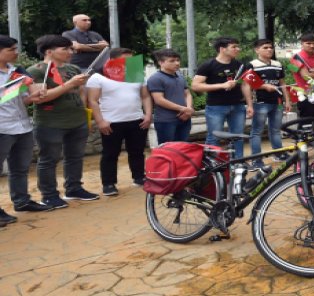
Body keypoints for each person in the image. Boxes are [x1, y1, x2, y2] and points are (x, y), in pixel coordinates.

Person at [27, 35, 96, 208]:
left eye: (70, 48)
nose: (70, 52)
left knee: (75, 157)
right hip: (50, 123)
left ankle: (74, 188)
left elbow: (81, 91)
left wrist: (84, 112)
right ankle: (49, 195)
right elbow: (40, 98)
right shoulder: (36, 71)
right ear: (49, 52)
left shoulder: (73, 68)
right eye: (65, 49)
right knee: (49, 160)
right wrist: (69, 84)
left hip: (77, 121)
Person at [86, 48, 152, 195]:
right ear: (112, 60)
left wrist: (148, 115)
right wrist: (100, 121)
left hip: (137, 120)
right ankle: (109, 184)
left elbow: (145, 96)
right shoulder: (98, 76)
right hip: (111, 122)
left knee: (137, 151)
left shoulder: (136, 73)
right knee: (110, 154)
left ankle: (139, 177)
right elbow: (92, 100)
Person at [0, 36, 52, 219]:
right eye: (11, 50)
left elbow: (22, 99)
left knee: (20, 168)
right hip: (2, 128)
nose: (16, 53)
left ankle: (22, 201)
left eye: (16, 49)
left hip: (22, 126)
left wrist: (33, 97)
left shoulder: (18, 71)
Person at [192, 37, 252, 158]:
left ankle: (238, 162)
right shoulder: (208, 65)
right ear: (222, 49)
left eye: (238, 46)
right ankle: (212, 165)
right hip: (216, 107)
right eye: (234, 47)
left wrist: (250, 105)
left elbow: (245, 85)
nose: (238, 49)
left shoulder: (239, 65)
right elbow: (195, 86)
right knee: (214, 136)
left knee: (238, 136)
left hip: (238, 106)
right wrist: (222, 85)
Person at [246, 39, 291, 167]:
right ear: (257, 50)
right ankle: (256, 159)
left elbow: (282, 83)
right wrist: (250, 104)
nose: (269, 50)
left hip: (277, 102)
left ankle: (279, 154)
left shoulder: (277, 64)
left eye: (271, 47)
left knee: (276, 130)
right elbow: (247, 85)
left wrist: (287, 100)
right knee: (257, 132)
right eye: (265, 47)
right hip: (260, 102)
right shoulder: (252, 65)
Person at [147, 49, 194, 144]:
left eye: (178, 60)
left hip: (185, 118)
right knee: (167, 148)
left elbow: (187, 94)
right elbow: (159, 100)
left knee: (183, 147)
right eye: (172, 61)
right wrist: (183, 109)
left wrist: (189, 109)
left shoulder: (180, 76)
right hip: (166, 121)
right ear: (161, 62)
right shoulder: (156, 78)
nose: (177, 63)